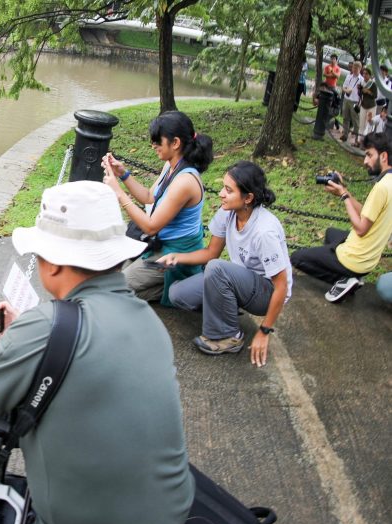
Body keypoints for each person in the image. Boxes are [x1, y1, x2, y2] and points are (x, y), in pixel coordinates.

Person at [0, 181, 194, 524]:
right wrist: (32, 335)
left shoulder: (43, 327)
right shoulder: (145, 316)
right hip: (167, 517)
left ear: (54, 260)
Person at [157, 162, 292, 367]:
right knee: (178, 295)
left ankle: (229, 337)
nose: (221, 193)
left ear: (248, 198)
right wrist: (176, 257)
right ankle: (225, 308)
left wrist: (265, 331)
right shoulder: (227, 212)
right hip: (242, 280)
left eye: (228, 190)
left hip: (267, 293)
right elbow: (211, 252)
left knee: (217, 268)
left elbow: (282, 286)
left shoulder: (265, 231)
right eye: (223, 187)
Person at [101, 110, 214, 305]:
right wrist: (123, 174)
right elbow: (149, 197)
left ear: (175, 143)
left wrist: (118, 193)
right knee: (113, 277)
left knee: (114, 289)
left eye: (157, 141)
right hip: (158, 244)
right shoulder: (170, 166)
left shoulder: (185, 181)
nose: (153, 146)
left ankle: (177, 287)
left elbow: (151, 226)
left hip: (174, 254)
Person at [290, 133, 392, 302]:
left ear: (383, 156)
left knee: (297, 258)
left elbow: (360, 229)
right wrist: (343, 189)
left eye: (369, 155)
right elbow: (366, 212)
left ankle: (344, 280)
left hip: (355, 259)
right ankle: (348, 275)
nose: (365, 161)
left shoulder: (381, 188)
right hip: (369, 260)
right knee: (331, 233)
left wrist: (344, 196)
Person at [342, 61, 364, 145]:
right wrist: (346, 90)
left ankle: (356, 139)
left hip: (355, 101)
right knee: (345, 117)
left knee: (355, 120)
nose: (354, 69)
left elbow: (362, 94)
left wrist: (359, 103)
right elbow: (343, 87)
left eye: (356, 68)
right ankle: (345, 134)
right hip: (347, 99)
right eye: (353, 67)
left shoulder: (361, 80)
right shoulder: (349, 76)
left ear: (360, 69)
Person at [358, 67, 377, 144]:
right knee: (361, 123)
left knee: (368, 124)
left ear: (369, 75)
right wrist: (359, 89)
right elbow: (360, 95)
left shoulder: (372, 83)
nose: (365, 75)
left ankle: (366, 142)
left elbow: (375, 95)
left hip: (371, 106)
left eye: (366, 74)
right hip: (363, 105)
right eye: (363, 74)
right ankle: (359, 140)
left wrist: (368, 92)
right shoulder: (362, 82)